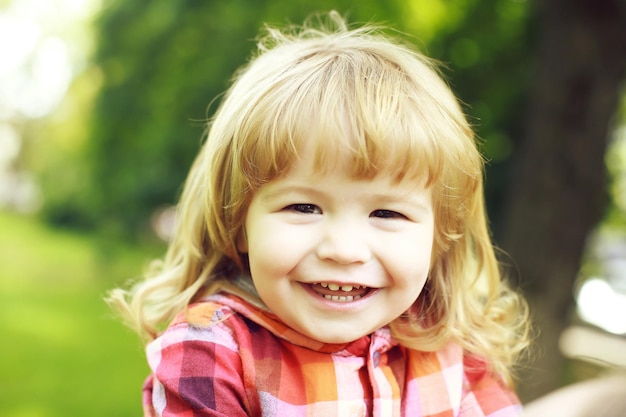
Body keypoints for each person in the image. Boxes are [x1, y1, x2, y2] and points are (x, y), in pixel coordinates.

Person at [108, 11, 531, 417]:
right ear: (238, 223)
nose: (344, 250)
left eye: (386, 212)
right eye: (304, 207)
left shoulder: (450, 347)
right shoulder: (212, 349)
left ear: (440, 236)